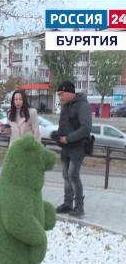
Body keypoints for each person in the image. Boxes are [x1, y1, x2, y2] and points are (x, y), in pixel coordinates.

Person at [50, 80, 92, 217]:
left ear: (69, 92)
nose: (60, 97)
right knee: (66, 176)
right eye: (58, 94)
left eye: (61, 94)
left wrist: (68, 138)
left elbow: (86, 128)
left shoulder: (82, 106)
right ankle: (68, 204)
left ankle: (79, 207)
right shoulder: (65, 106)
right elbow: (64, 126)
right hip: (65, 148)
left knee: (73, 175)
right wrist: (57, 135)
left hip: (77, 148)